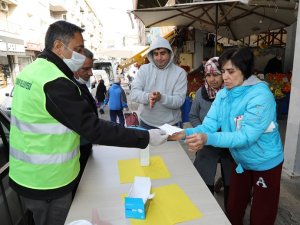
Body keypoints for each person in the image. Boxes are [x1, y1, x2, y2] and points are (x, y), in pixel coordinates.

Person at [8, 20, 168, 225]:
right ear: (58, 46)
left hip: (27, 175)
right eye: (77, 49)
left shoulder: (32, 71)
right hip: (48, 181)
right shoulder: (55, 82)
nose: (82, 55)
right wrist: (145, 137)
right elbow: (93, 127)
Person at [170, 48, 283, 225]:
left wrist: (208, 139)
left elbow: (245, 136)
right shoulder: (223, 95)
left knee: (262, 214)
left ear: (245, 70)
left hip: (265, 162)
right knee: (233, 207)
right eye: (223, 71)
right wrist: (186, 133)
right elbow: (209, 125)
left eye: (231, 71)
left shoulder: (261, 96)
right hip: (241, 161)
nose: (225, 77)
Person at [188, 57, 232, 209]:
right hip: (206, 147)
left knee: (231, 186)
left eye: (216, 74)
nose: (212, 79)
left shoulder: (232, 93)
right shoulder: (201, 93)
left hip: (229, 146)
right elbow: (193, 115)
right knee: (205, 185)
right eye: (208, 75)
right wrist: (201, 132)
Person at [131, 36, 187, 130]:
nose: (159, 58)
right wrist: (148, 96)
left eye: (163, 53)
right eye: (156, 54)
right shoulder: (144, 70)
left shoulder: (180, 73)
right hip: (146, 123)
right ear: (151, 55)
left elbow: (179, 101)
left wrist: (161, 97)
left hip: (171, 125)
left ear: (170, 53)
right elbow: (134, 93)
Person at [72, 48, 97, 196]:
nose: (91, 73)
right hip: (77, 151)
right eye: (86, 69)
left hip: (86, 145)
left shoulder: (80, 86)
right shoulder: (70, 90)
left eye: (91, 68)